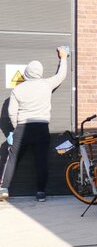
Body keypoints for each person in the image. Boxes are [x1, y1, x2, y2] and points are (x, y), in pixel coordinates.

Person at [0, 46, 70, 201]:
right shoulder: (47, 84)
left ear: (26, 73)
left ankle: (4, 188)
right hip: (41, 127)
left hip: (23, 128)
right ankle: (40, 193)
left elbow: (12, 112)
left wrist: (15, 127)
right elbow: (61, 75)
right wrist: (63, 57)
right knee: (41, 160)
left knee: (12, 158)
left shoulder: (18, 89)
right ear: (40, 72)